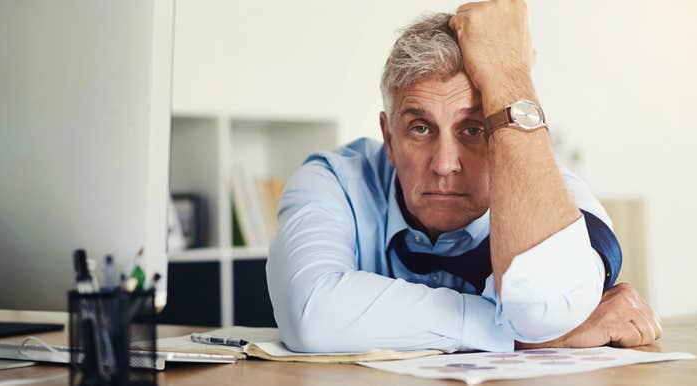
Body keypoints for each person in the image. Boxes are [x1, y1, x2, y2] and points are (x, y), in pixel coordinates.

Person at [266, 0, 661, 353]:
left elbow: (543, 309)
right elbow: (312, 315)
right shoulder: (335, 180)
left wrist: (508, 77)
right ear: (389, 138)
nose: (444, 164)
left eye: (474, 129)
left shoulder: (557, 199)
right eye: (420, 128)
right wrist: (524, 337)